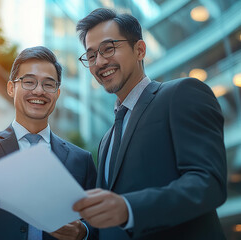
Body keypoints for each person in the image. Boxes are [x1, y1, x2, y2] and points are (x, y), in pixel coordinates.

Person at [72, 8, 227, 240]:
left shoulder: (182, 94)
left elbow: (208, 184)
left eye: (108, 48)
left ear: (140, 50)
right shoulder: (106, 140)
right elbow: (112, 218)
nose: (100, 62)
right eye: (91, 55)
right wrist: (82, 232)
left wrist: (129, 208)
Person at [0, 46, 97, 240]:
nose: (39, 91)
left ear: (57, 93)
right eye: (29, 82)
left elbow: (98, 223)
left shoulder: (82, 160)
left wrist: (83, 232)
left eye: (49, 84)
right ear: (11, 88)